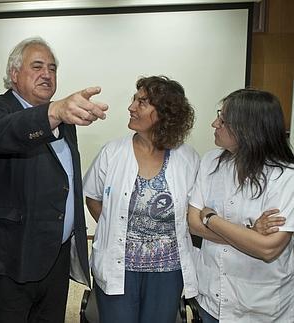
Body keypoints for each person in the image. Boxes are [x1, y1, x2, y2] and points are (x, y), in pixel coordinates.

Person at [0, 36, 108, 323]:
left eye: (52, 68)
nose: (47, 74)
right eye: (37, 66)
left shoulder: (64, 121)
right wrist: (54, 111)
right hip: (13, 262)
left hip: (55, 260)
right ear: (14, 74)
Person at [83, 76, 198, 323]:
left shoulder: (187, 158)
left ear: (165, 113)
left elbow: (194, 210)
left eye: (142, 102)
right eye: (134, 100)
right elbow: (92, 197)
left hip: (167, 271)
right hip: (119, 267)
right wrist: (117, 228)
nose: (131, 107)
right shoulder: (112, 152)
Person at [187, 89, 294, 322]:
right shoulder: (211, 162)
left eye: (223, 120)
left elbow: (268, 249)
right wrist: (250, 234)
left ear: (248, 128)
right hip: (211, 301)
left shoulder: (286, 177)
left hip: (261, 309)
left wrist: (211, 219)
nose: (215, 123)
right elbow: (193, 224)